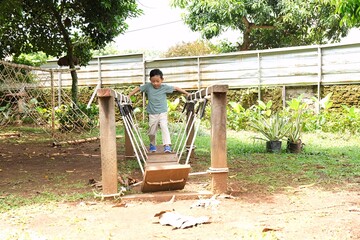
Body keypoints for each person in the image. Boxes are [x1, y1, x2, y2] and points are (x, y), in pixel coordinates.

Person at [128, 68, 190, 153]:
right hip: (152, 113)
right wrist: (129, 95)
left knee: (164, 127)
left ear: (162, 80)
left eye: (157, 81)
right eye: (153, 81)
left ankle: (167, 145)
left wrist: (187, 93)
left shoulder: (165, 87)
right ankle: (152, 144)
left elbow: (176, 88)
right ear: (150, 80)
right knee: (151, 132)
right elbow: (138, 88)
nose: (155, 83)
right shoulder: (148, 86)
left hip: (162, 112)